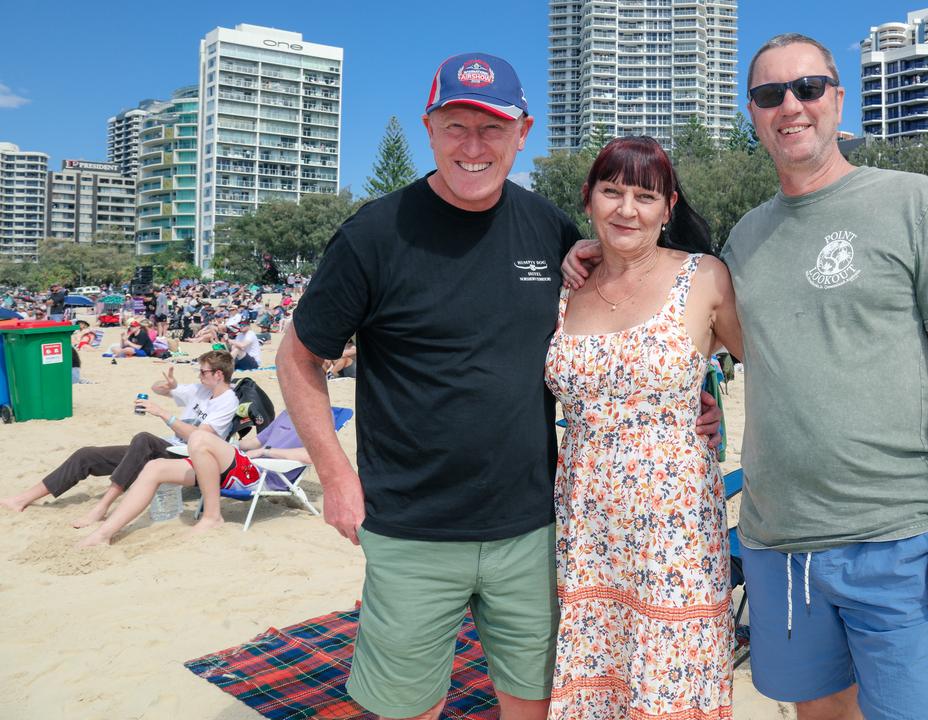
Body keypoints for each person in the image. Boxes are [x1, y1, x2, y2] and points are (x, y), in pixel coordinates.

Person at [275, 52, 723, 720]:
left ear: (523, 131)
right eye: (456, 126)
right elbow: (298, 360)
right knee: (402, 708)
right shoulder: (373, 234)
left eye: (492, 129)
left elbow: (613, 321)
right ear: (429, 128)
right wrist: (336, 477)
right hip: (412, 528)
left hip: (536, 526)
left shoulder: (549, 231)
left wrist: (686, 396)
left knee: (541, 703)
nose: (473, 146)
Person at [567, 33, 928, 720]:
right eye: (770, 95)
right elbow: (693, 337)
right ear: (754, 113)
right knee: (816, 714)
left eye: (808, 88)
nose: (791, 106)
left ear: (838, 98)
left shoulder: (910, 200)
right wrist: (604, 252)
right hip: (777, 542)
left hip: (896, 536)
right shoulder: (745, 241)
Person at [544, 136, 742, 719]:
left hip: (673, 528)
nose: (627, 209)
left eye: (644, 195)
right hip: (586, 520)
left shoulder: (704, 277)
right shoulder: (565, 287)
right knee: (598, 675)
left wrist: (711, 411)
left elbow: (764, 363)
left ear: (668, 206)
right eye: (612, 192)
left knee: (670, 677)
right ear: (588, 199)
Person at [0, 352, 238, 526]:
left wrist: (164, 414)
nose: (199, 374)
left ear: (218, 374)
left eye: (203, 371)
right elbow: (159, 389)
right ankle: (22, 499)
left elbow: (200, 439)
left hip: (189, 458)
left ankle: (102, 507)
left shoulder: (227, 401)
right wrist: (169, 386)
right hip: (167, 449)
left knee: (144, 439)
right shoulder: (200, 390)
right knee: (87, 455)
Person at [76, 417, 309, 547]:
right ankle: (104, 534)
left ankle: (212, 516)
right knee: (154, 467)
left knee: (198, 437)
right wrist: (228, 443)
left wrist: (268, 452)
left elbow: (311, 456)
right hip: (243, 464)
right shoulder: (288, 413)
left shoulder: (317, 416)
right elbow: (253, 444)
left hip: (261, 475)